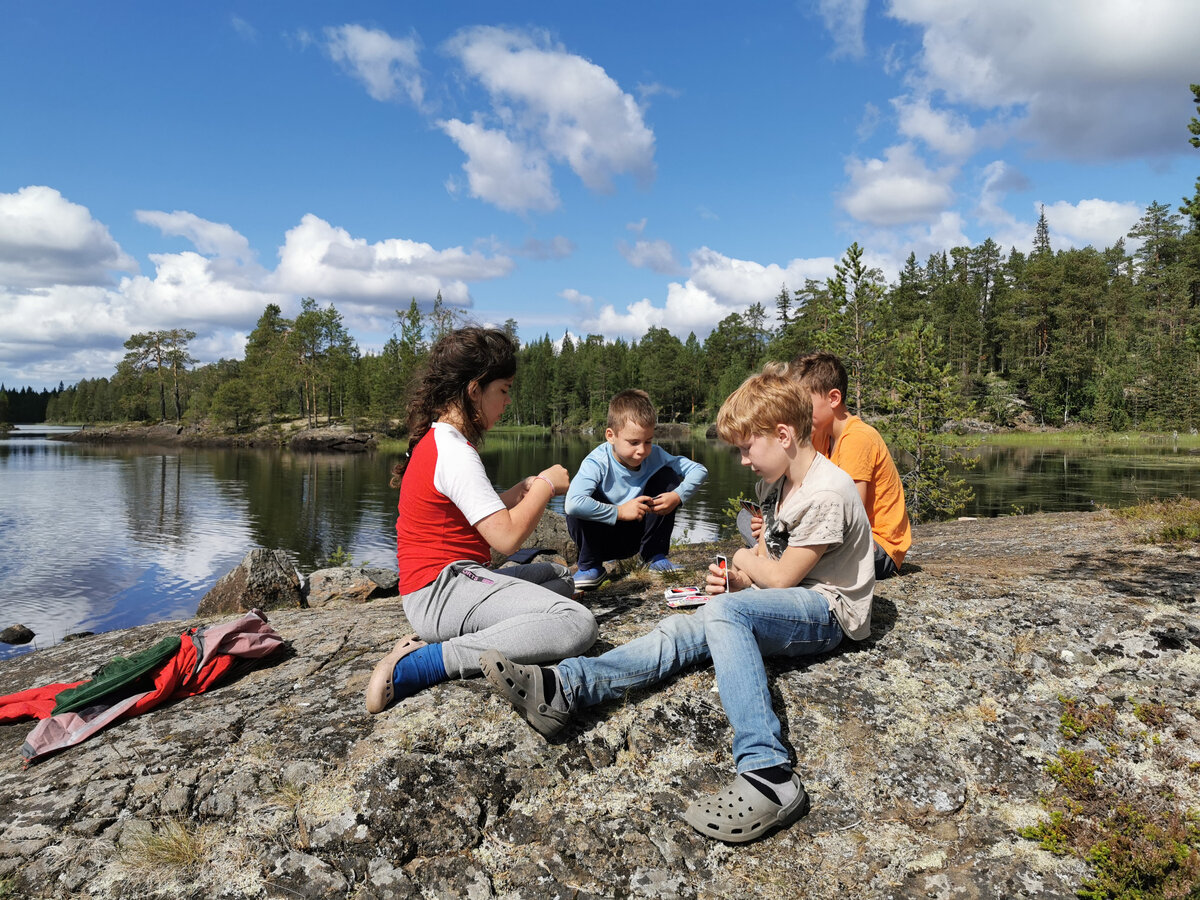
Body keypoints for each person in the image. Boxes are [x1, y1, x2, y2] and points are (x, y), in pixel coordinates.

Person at [480, 369, 875, 843]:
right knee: (683, 630)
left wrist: (747, 561)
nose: (744, 460)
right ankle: (567, 687)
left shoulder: (827, 490)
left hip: (828, 611)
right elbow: (771, 568)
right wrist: (740, 577)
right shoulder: (778, 482)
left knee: (726, 613)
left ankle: (770, 773)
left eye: (747, 448)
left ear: (785, 435)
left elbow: (787, 576)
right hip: (784, 601)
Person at [365, 327, 598, 714]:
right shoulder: (455, 452)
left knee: (556, 579)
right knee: (577, 622)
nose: (507, 401)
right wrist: (543, 485)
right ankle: (422, 664)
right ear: (475, 390)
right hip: (442, 592)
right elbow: (505, 538)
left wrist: (516, 493)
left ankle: (472, 633)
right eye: (503, 390)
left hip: (442, 586)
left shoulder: (443, 441)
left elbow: (470, 516)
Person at [564, 389, 708, 589]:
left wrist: (677, 496)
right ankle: (590, 566)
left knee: (667, 476)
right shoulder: (596, 461)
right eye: (633, 443)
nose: (642, 450)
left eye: (648, 441)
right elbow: (572, 505)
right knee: (580, 500)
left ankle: (652, 556)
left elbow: (699, 470)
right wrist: (620, 511)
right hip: (601, 539)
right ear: (610, 435)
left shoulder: (655, 455)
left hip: (636, 538)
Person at [792, 352, 911, 579]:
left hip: (878, 548)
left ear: (834, 398)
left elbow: (850, 516)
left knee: (793, 557)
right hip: (841, 538)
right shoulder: (820, 437)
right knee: (749, 521)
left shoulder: (858, 438)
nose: (799, 411)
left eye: (804, 402)